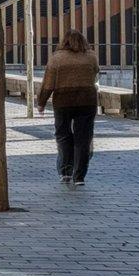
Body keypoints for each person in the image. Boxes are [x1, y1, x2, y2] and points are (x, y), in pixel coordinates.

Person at [38, 28, 100, 188]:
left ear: (64, 42)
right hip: (87, 101)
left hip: (64, 102)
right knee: (83, 139)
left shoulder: (56, 58)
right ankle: (79, 176)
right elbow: (96, 73)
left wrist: (41, 102)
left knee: (63, 135)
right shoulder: (91, 57)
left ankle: (65, 172)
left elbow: (48, 84)